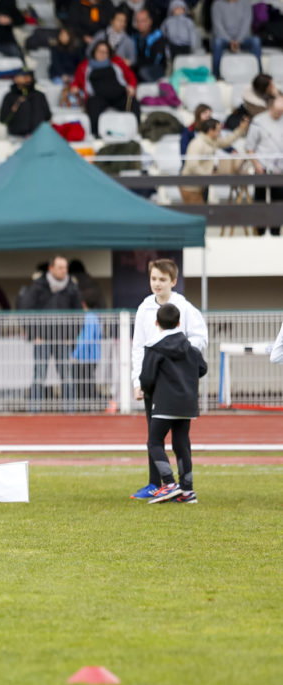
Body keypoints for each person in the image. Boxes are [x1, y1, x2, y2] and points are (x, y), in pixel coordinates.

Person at [129, 258, 206, 499]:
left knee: (177, 439)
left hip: (177, 382)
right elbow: (138, 347)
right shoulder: (144, 309)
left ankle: (180, 486)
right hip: (153, 381)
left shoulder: (185, 308)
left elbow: (199, 339)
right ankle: (156, 483)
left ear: (173, 281)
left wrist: (177, 356)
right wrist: (137, 381)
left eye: (162, 279)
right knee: (154, 435)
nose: (157, 283)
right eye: (153, 278)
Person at [140, 303, 207, 504]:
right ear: (179, 323)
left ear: (156, 323)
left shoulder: (154, 346)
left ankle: (169, 484)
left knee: (154, 442)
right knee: (181, 443)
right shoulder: (191, 348)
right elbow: (201, 369)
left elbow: (147, 377)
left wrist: (150, 391)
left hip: (164, 402)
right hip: (187, 404)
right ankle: (188, 491)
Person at [18, 255, 84, 411]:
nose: (64, 271)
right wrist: (35, 335)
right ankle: (33, 410)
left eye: (65, 268)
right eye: (60, 267)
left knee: (67, 377)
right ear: (51, 268)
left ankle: (70, 410)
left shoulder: (72, 287)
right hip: (42, 339)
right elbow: (26, 310)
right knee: (39, 377)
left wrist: (71, 337)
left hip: (63, 340)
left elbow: (79, 315)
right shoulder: (38, 286)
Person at [73, 41, 139, 138]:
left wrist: (132, 86)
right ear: (94, 51)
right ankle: (96, 135)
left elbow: (130, 76)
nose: (102, 54)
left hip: (119, 96)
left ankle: (134, 131)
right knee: (92, 107)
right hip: (98, 97)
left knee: (133, 103)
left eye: (105, 52)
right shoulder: (84, 66)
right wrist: (74, 87)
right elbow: (77, 81)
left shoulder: (117, 62)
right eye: (100, 51)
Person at [180, 117, 247, 203]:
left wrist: (240, 130)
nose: (220, 133)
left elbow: (226, 141)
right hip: (190, 187)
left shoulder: (211, 141)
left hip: (198, 185)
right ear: (210, 131)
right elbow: (192, 165)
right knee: (197, 214)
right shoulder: (197, 143)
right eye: (218, 130)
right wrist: (208, 175)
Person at [246, 93, 283, 235]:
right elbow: (250, 147)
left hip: (279, 169)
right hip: (261, 167)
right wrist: (257, 165)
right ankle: (259, 232)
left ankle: (275, 232)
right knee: (260, 200)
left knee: (278, 201)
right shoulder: (258, 121)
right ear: (270, 106)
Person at [212, 0, 261, 77]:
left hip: (243, 39)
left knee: (256, 41)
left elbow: (246, 24)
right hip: (224, 39)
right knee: (217, 42)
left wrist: (238, 40)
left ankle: (259, 75)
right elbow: (218, 26)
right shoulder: (217, 4)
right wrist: (230, 41)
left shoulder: (246, 3)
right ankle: (216, 76)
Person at [0, 69, 52, 138]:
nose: (25, 78)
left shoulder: (39, 96)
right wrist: (15, 107)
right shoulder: (10, 97)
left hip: (38, 136)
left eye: (28, 76)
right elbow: (3, 119)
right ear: (15, 78)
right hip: (17, 136)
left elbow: (48, 116)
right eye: (23, 75)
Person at [132, 8, 169, 82]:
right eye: (137, 21)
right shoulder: (134, 37)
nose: (139, 24)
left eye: (143, 21)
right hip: (138, 69)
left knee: (143, 71)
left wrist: (134, 62)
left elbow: (154, 61)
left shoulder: (158, 37)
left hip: (156, 69)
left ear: (150, 22)